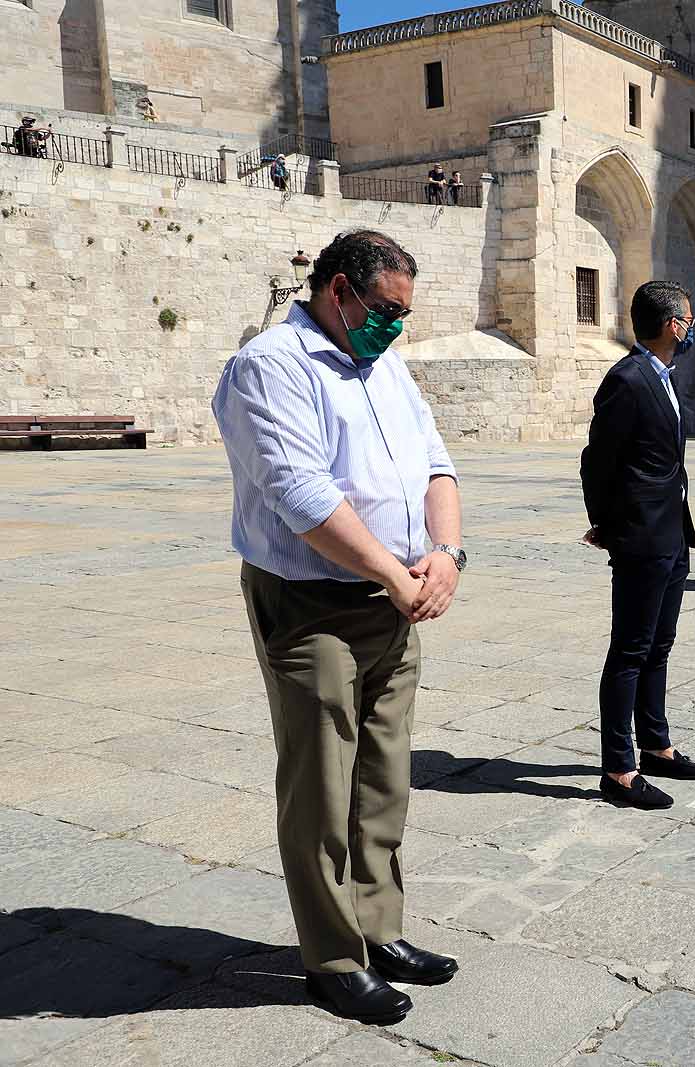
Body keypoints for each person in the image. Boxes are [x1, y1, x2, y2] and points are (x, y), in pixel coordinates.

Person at [211, 230, 464, 1025]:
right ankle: (330, 954)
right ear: (339, 291)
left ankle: (378, 926)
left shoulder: (384, 364)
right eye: (386, 309)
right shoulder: (271, 365)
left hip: (396, 600)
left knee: (383, 778)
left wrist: (447, 553)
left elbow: (434, 461)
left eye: (405, 312)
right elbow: (301, 492)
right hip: (311, 602)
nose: (396, 325)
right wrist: (396, 573)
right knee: (322, 784)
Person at [580, 281, 695, 811]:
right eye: (688, 320)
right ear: (672, 325)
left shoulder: (663, 377)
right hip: (641, 535)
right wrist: (608, 524)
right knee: (630, 651)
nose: (690, 329)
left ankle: (656, 745)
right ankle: (619, 768)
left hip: (672, 530)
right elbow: (598, 460)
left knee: (660, 643)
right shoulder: (628, 379)